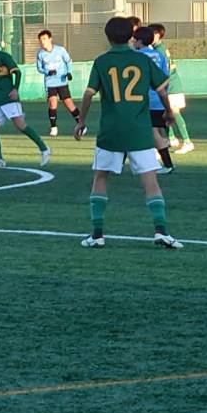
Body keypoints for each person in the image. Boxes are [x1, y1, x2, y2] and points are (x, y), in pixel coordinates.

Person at [73, 16, 181, 250]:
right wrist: (169, 112)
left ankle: (97, 234)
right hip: (139, 131)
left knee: (101, 177)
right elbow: (162, 90)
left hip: (111, 130)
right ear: (131, 36)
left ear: (108, 37)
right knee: (150, 180)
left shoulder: (102, 62)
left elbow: (89, 93)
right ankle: (161, 231)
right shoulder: (142, 60)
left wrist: (81, 120)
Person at [0, 30, 50, 169]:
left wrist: (15, 89)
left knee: (20, 125)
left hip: (7, 97)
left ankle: (44, 149)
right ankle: (0, 160)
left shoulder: (4, 56)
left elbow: (17, 72)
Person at [134, 26, 175, 172]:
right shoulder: (159, 56)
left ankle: (167, 165)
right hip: (159, 100)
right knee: (156, 131)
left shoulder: (136, 56)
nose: (133, 43)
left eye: (134, 40)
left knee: (150, 133)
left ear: (139, 41)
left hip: (144, 101)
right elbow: (165, 79)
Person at [151, 25, 194, 153]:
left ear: (157, 35)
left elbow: (165, 70)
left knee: (174, 112)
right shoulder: (159, 48)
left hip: (172, 86)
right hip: (168, 85)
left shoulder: (159, 50)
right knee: (164, 113)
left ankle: (187, 142)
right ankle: (172, 138)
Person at [34, 29, 85, 137]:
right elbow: (39, 68)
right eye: (41, 40)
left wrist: (69, 72)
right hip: (50, 83)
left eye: (44, 39)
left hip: (62, 82)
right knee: (52, 102)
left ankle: (81, 125)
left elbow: (68, 61)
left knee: (69, 103)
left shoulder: (60, 50)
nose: (42, 42)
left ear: (50, 39)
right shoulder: (40, 53)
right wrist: (47, 72)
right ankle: (53, 128)